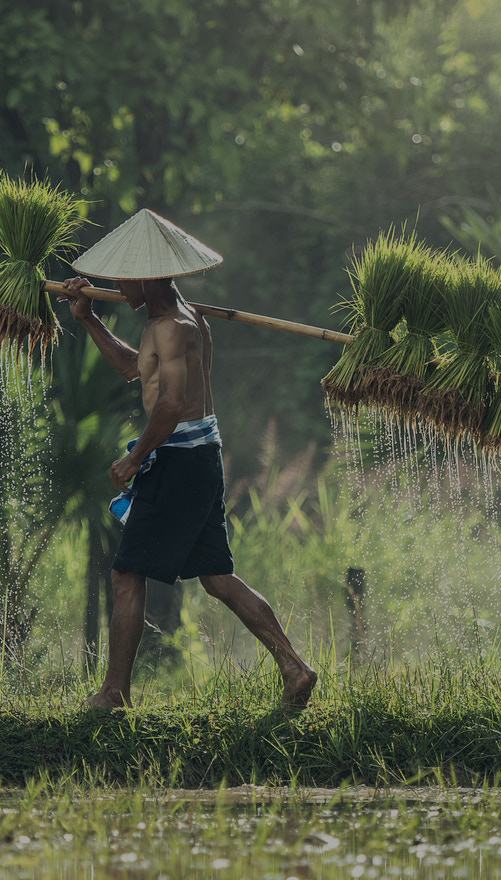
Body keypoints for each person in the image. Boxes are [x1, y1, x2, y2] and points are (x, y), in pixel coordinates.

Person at [55, 209, 318, 709]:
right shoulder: (181, 320)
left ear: (146, 277)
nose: (118, 286)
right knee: (216, 577)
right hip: (200, 456)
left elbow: (172, 405)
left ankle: (113, 693)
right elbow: (133, 368)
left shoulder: (173, 327)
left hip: (179, 460)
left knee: (126, 574)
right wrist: (86, 316)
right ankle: (295, 667)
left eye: (124, 277)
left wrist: (135, 458)